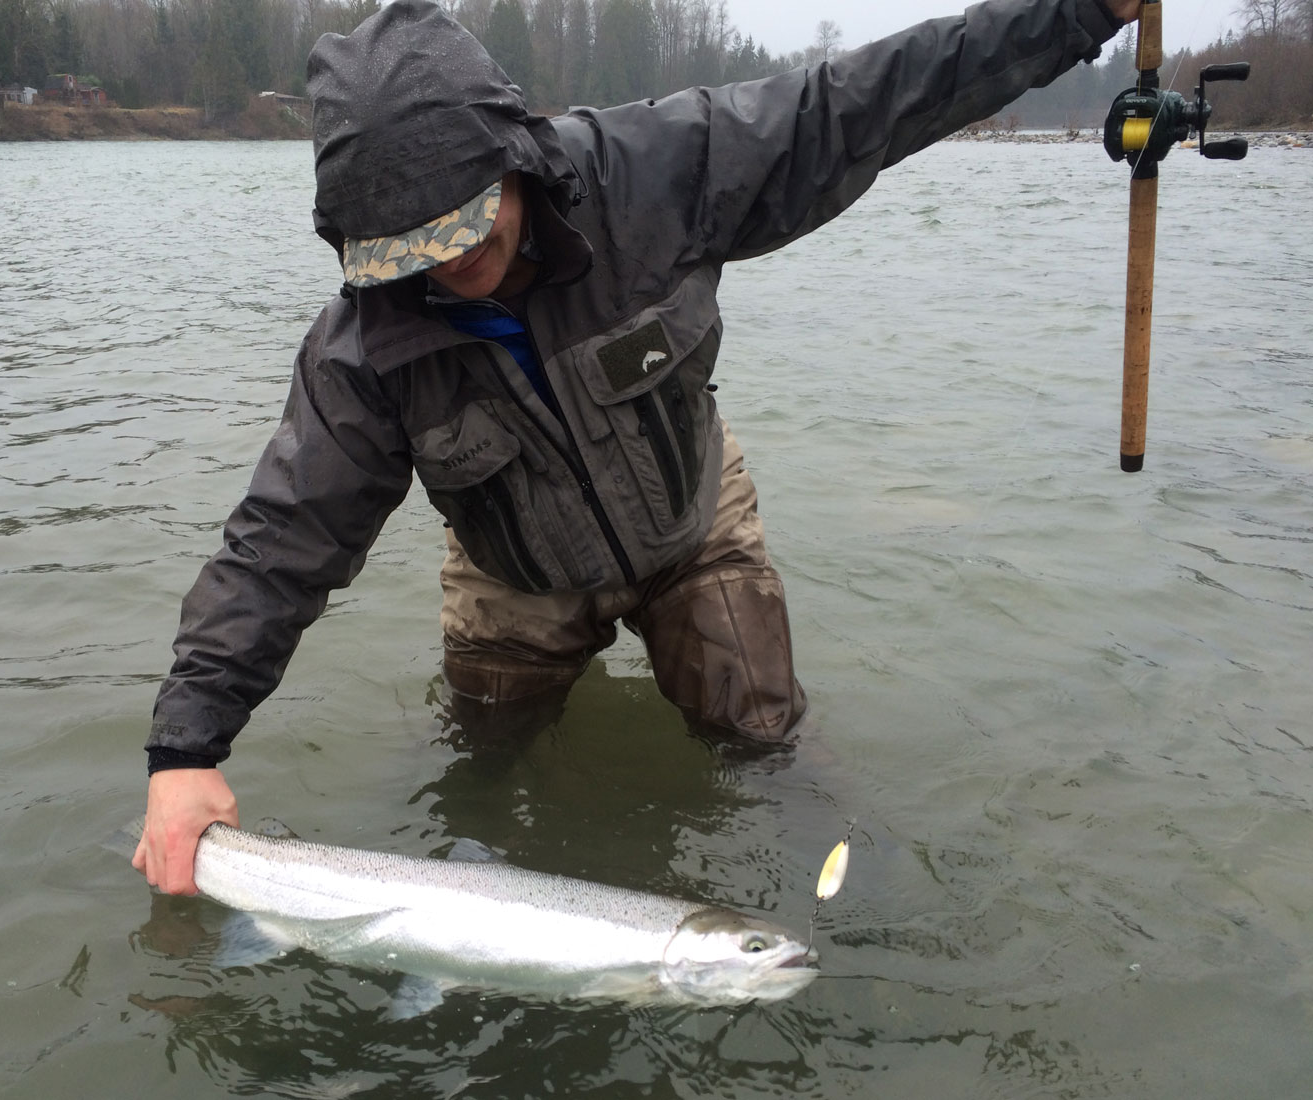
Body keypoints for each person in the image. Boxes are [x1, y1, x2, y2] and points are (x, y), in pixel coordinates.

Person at [134, 0, 1142, 895]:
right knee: (479, 767)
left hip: (691, 523)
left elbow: (858, 104)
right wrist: (185, 749)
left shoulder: (658, 172)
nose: (454, 263)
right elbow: (279, 542)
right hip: (512, 570)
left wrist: (1076, 12)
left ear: (514, 153)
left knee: (765, 746)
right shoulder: (364, 348)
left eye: (469, 224)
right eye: (415, 251)